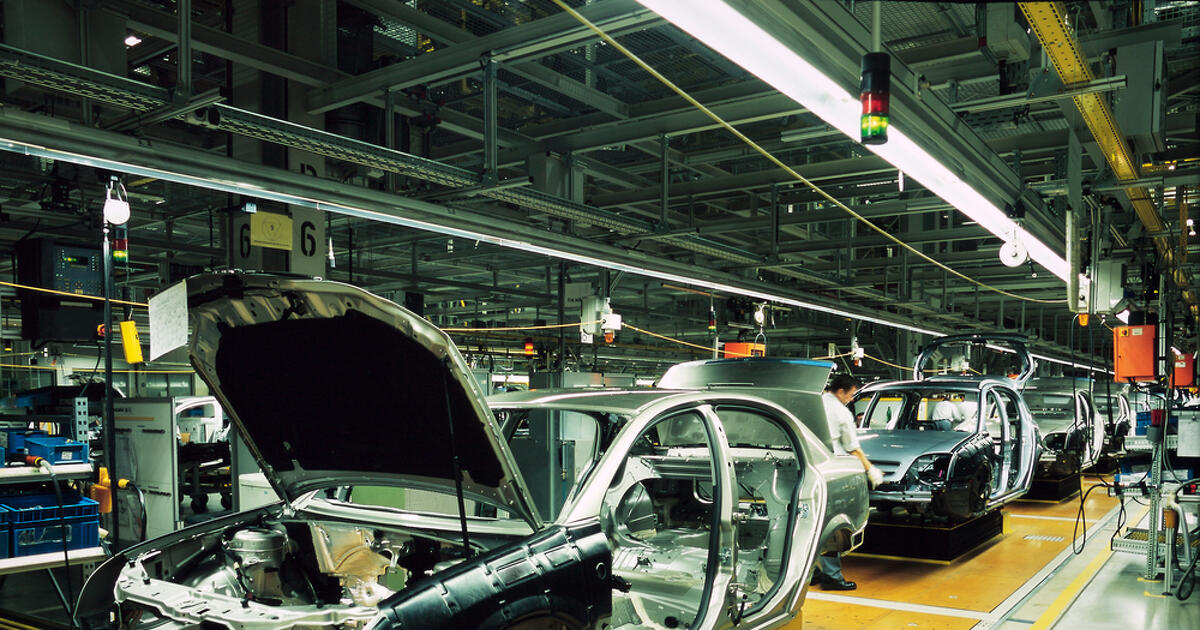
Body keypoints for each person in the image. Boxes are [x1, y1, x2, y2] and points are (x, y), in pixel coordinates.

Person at [812, 373, 883, 591]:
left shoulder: (814, 402)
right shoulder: (841, 412)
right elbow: (853, 448)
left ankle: (811, 572)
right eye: (851, 395)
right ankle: (832, 577)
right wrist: (870, 469)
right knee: (832, 523)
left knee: (810, 522)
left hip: (808, 469)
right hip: (830, 471)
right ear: (841, 391)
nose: (851, 399)